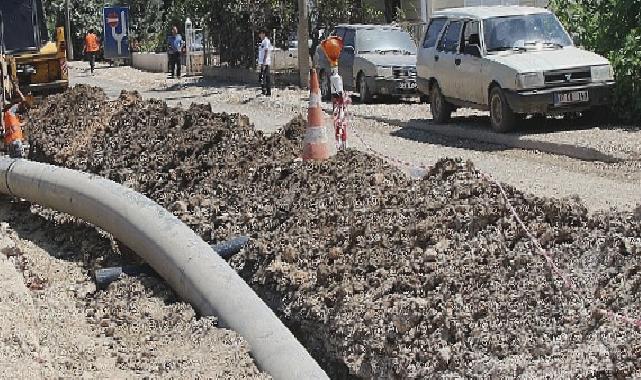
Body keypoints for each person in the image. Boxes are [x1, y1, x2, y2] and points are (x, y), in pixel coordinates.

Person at [2, 83, 27, 158]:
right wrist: (18, 91)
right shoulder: (11, 112)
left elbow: (14, 126)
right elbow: (24, 101)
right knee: (20, 162)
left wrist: (23, 124)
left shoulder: (7, 117)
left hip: (10, 142)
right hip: (16, 141)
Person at [257, 29, 272, 96]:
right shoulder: (262, 42)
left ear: (263, 34)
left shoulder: (266, 41)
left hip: (265, 62)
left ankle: (268, 92)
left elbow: (266, 51)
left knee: (265, 77)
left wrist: (263, 62)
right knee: (262, 77)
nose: (259, 35)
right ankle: (264, 91)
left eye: (260, 33)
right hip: (262, 62)